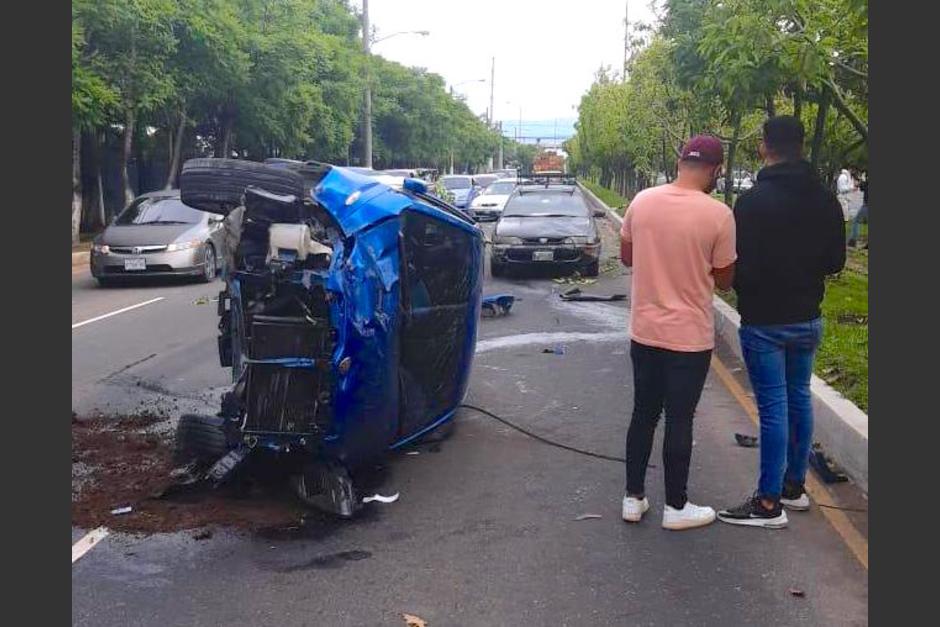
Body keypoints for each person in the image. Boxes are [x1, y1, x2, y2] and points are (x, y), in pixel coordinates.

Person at [718, 116, 845, 529]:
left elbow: (735, 265)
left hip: (765, 320)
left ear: (763, 147)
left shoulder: (751, 203)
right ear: (802, 147)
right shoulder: (826, 199)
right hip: (807, 317)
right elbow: (836, 262)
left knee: (773, 408)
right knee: (799, 399)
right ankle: (794, 488)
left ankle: (768, 503)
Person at [620, 135, 736, 531]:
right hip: (689, 337)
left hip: (645, 330)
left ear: (680, 161)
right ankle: (676, 506)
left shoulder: (642, 201)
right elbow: (724, 280)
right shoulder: (718, 215)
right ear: (715, 170)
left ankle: (633, 498)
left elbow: (627, 255)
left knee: (643, 413)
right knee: (680, 417)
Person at [848, 172, 868, 248]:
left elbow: (861, 186)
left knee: (856, 221)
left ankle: (853, 240)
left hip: (867, 205)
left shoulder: (866, 181)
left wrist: (858, 181)